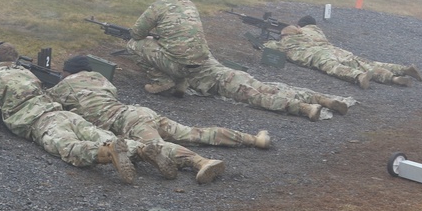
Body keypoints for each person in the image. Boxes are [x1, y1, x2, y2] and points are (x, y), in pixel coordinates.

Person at [0, 42, 176, 184]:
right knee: (100, 134)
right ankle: (142, 150)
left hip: (40, 122)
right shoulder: (26, 72)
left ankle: (106, 152)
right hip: (63, 114)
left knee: (69, 147)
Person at [47, 56, 273, 184]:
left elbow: (49, 106)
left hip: (129, 122)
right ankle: (254, 139)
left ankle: (201, 162)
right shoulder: (100, 78)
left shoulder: (64, 86)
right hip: (140, 112)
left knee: (159, 148)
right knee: (193, 132)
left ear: (68, 72)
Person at [262, 15, 422, 88]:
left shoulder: (285, 43)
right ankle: (399, 72)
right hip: (333, 49)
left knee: (337, 69)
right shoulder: (312, 31)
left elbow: (268, 46)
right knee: (366, 63)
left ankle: (363, 77)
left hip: (317, 55)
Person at [187, 55, 353, 120]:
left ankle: (306, 108)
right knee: (272, 90)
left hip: (224, 82)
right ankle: (323, 100)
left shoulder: (176, 60)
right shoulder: (200, 48)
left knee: (260, 98)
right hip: (234, 73)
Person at [127, 0, 210, 97]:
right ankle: (181, 83)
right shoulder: (191, 5)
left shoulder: (160, 5)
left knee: (133, 45)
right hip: (198, 66)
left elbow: (137, 33)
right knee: (179, 50)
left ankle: (161, 81)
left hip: (176, 64)